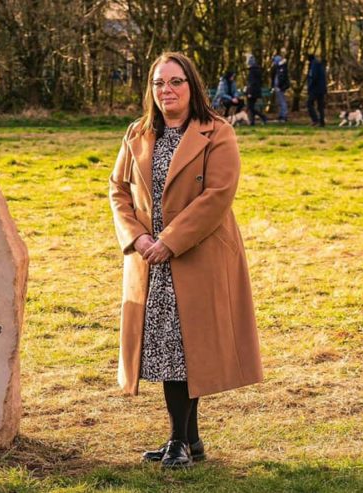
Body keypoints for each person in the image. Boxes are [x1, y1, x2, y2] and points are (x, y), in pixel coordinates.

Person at [108, 52, 263, 469]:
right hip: (148, 261)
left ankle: (178, 440)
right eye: (159, 83)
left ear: (192, 86)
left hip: (197, 256)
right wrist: (138, 238)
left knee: (181, 349)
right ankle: (189, 441)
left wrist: (170, 241)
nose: (167, 90)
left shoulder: (218, 133)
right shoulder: (137, 132)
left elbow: (218, 195)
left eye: (176, 82)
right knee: (164, 348)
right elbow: (118, 190)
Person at [245, 55, 268, 125]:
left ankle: (263, 117)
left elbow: (252, 83)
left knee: (250, 107)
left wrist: (249, 92)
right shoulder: (258, 70)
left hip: (252, 91)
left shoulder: (252, 72)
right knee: (251, 107)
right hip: (257, 91)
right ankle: (252, 122)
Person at [307, 54, 327, 127]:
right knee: (320, 106)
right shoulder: (320, 65)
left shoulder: (314, 65)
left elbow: (313, 77)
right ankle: (322, 122)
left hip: (315, 88)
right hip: (321, 88)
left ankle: (315, 120)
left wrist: (310, 87)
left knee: (309, 103)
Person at [270, 55, 290, 122]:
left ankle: (284, 115)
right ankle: (281, 115)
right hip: (277, 87)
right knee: (280, 102)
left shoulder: (282, 68)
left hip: (280, 88)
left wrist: (280, 86)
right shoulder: (278, 68)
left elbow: (283, 78)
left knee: (282, 101)